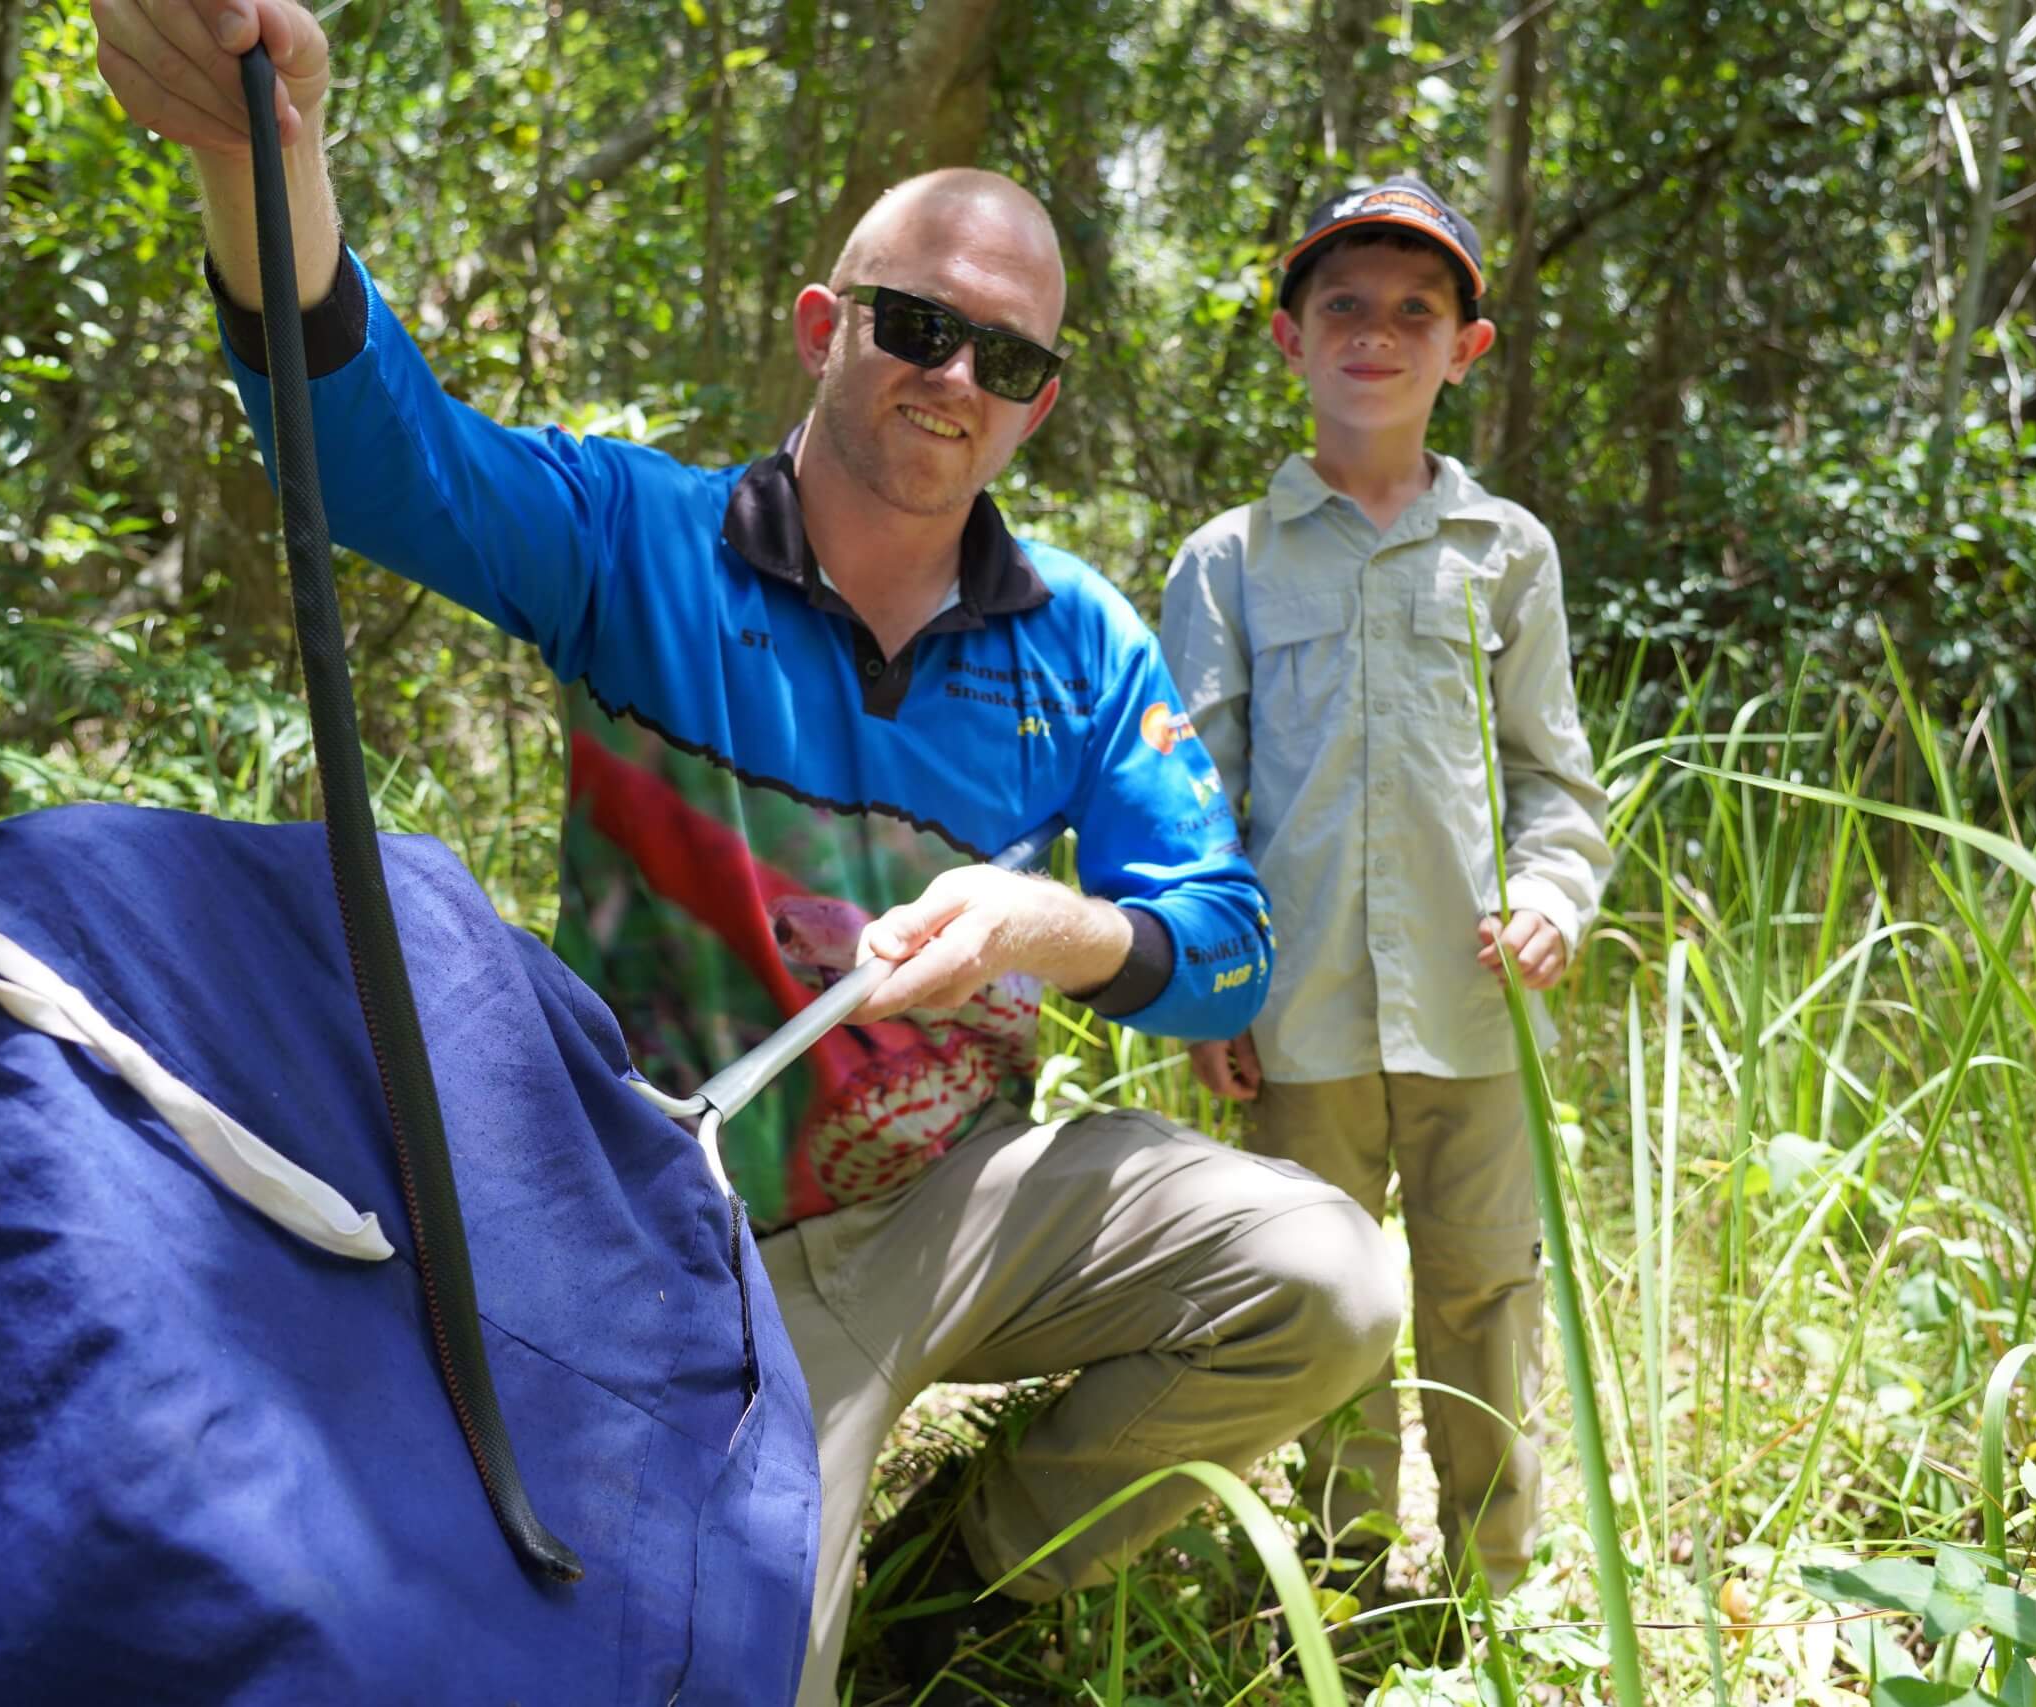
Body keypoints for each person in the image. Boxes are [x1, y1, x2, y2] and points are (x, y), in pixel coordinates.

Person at [92, 6, 1400, 1701]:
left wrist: (1045, 928)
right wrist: (258, 161)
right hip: (680, 1227)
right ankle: (791, 1554)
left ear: (1039, 404)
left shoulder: (1079, 644)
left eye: (1002, 359)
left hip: (963, 1195)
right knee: (724, 1663)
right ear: (822, 326)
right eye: (917, 326)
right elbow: (371, 458)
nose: (953, 380)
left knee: (1329, 1278)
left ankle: (971, 1570)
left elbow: (1224, 946)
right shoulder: (641, 544)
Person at [1159, 178, 1612, 1597]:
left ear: (1465, 350)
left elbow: (1557, 784)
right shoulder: (1227, 562)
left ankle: (1495, 1581)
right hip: (1297, 1014)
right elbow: (1194, 807)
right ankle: (1343, 1566)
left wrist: (1554, 892)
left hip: (1478, 1010)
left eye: (1417, 310)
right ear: (1288, 339)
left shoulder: (1507, 553)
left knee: (1485, 1289)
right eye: (1342, 305)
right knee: (1323, 1292)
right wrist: (1205, 989)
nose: (1378, 332)